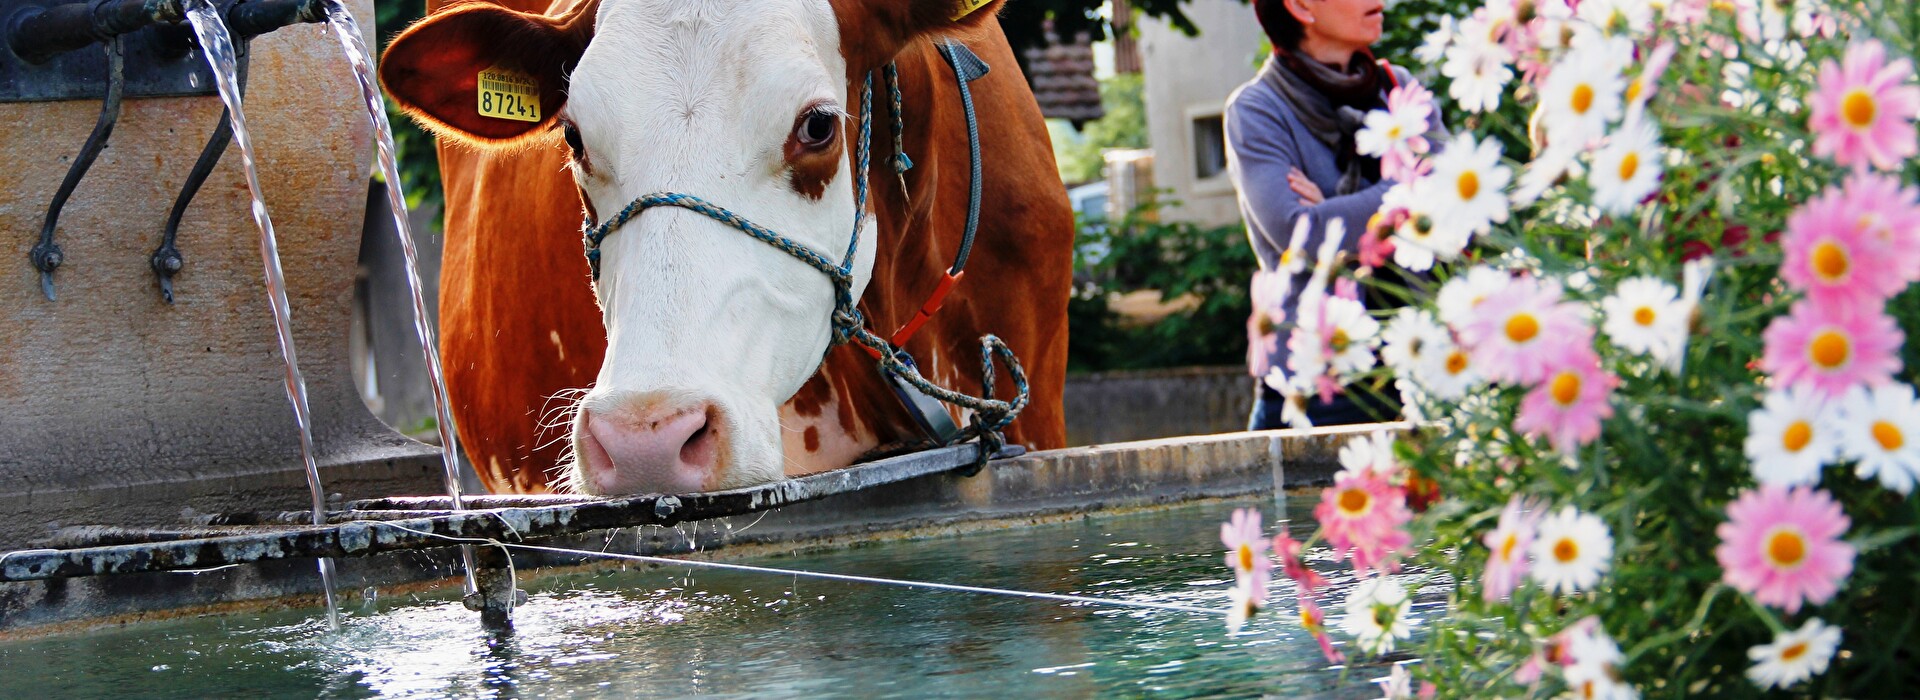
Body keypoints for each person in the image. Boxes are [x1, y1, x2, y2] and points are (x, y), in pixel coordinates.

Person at [1228, 0, 1427, 430]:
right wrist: (1408, 189)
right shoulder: (1257, 110)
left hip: (1422, 362)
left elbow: (1451, 196)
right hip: (1320, 386)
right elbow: (1302, 235)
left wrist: (1333, 209)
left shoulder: (1399, 88)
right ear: (1301, 7)